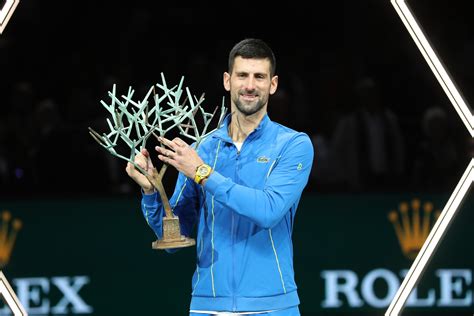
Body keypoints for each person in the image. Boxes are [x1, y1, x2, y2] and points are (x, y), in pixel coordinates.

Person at [126, 38, 314, 316]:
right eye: (242, 75)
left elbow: (268, 210)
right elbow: (175, 239)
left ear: (272, 84)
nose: (250, 85)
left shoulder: (293, 145)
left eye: (259, 77)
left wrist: (203, 173)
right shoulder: (203, 147)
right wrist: (152, 194)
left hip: (273, 306)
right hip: (207, 306)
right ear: (227, 80)